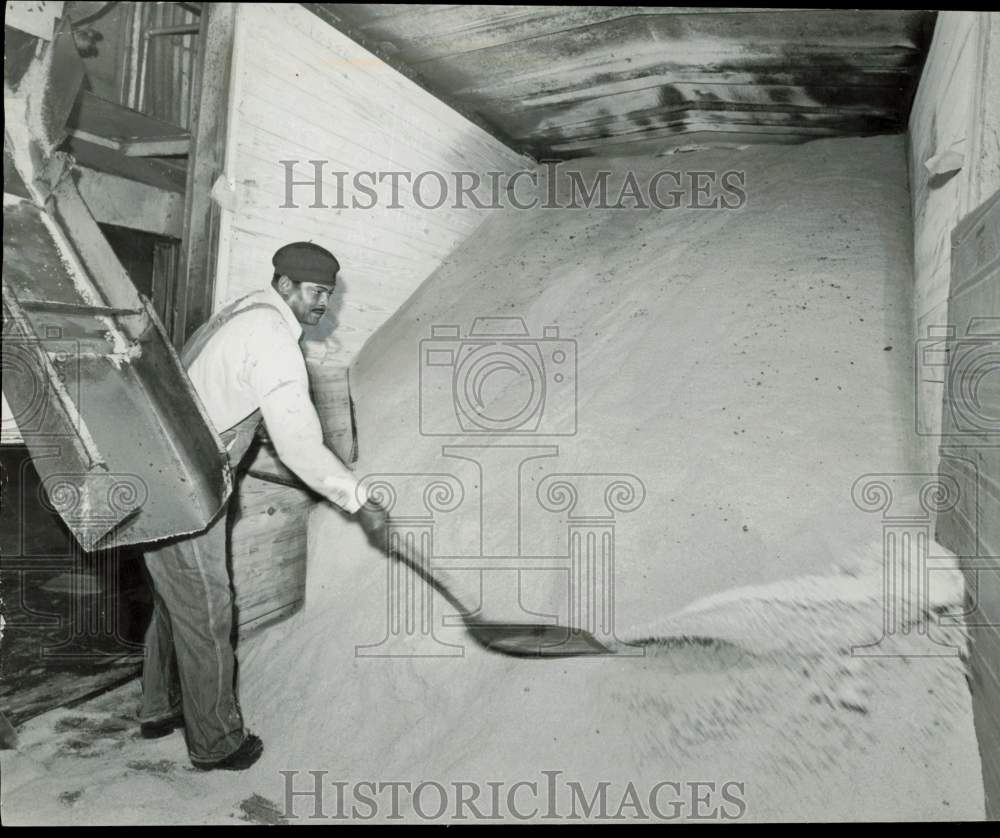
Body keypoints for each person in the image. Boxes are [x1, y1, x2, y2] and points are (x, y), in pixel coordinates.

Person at [138, 241, 388, 771]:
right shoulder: (274, 338)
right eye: (315, 292)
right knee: (207, 609)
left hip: (161, 468)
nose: (323, 303)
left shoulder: (240, 310)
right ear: (285, 286)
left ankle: (161, 708)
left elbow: (230, 401)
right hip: (187, 484)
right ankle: (216, 742)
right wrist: (356, 499)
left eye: (328, 293)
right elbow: (299, 442)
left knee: (175, 597)